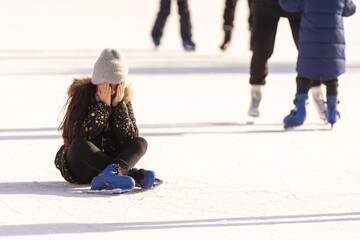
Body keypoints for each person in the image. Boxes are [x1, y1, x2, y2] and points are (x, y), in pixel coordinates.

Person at [54, 48, 157, 192]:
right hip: (82, 167)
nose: (113, 90)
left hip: (110, 157)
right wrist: (103, 107)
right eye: (109, 85)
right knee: (79, 144)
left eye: (117, 85)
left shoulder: (122, 99)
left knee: (140, 143)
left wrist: (118, 107)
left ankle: (112, 174)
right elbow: (77, 136)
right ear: (98, 82)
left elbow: (129, 138)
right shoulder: (82, 96)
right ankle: (133, 175)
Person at [279, 0, 356, 128]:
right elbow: (350, 10)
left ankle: (300, 109)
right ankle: (332, 109)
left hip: (310, 42)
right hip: (332, 44)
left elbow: (288, 5)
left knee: (304, 76)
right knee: (332, 77)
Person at [247, 0, 326, 120]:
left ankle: (317, 92)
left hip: (298, 5)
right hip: (265, 5)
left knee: (308, 49)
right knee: (261, 49)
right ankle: (256, 91)